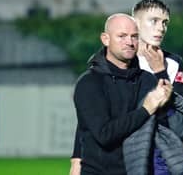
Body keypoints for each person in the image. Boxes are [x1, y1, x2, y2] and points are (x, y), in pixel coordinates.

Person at [70, 0, 183, 175]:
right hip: (111, 159)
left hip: (154, 157)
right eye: (154, 21)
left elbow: (174, 116)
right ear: (136, 23)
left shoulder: (171, 63)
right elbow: (91, 120)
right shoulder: (106, 68)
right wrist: (77, 159)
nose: (161, 27)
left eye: (165, 22)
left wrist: (160, 73)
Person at [72, 13, 174, 175]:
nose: (130, 42)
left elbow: (166, 126)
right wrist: (146, 109)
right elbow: (104, 134)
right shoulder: (90, 83)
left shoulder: (147, 80)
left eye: (134, 37)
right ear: (105, 39)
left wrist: (161, 74)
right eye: (122, 36)